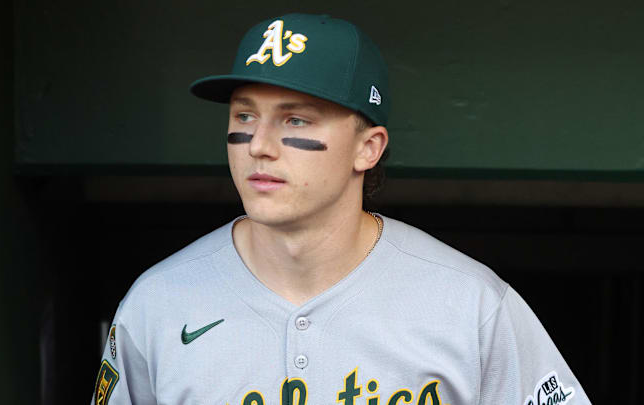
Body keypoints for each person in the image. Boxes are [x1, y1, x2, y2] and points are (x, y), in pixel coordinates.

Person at [92, 13, 590, 405]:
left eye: (296, 119)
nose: (259, 145)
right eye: (245, 115)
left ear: (367, 148)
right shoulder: (156, 305)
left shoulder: (471, 305)